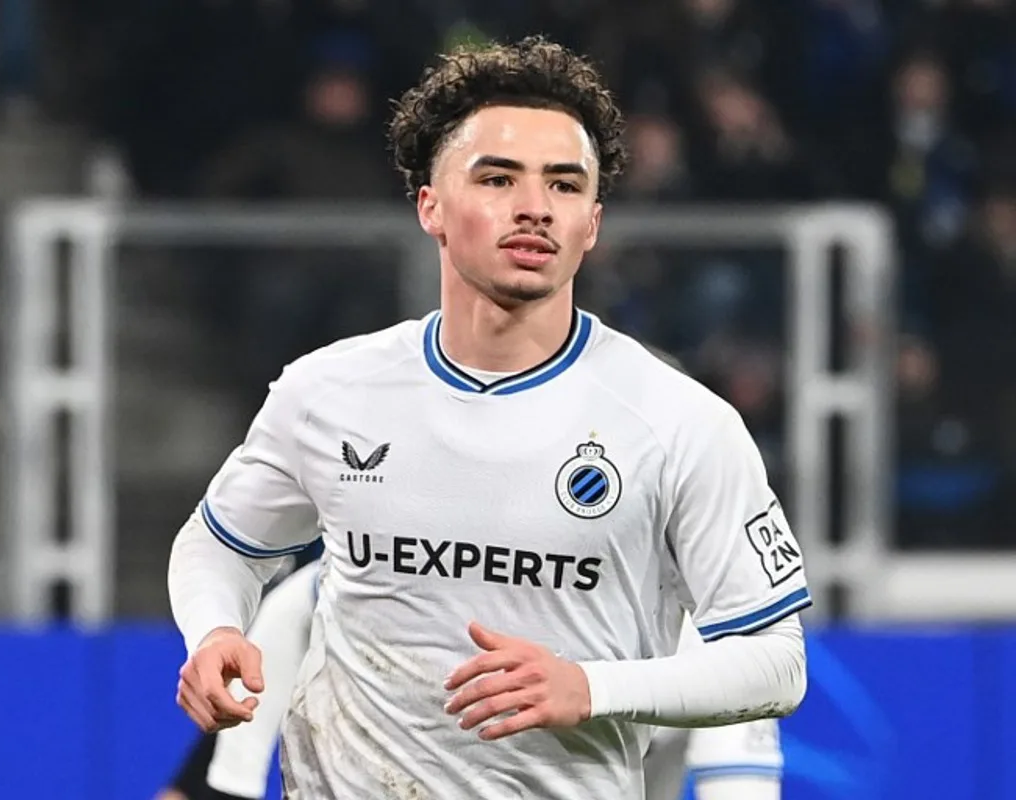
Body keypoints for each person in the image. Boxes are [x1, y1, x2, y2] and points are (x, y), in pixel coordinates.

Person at [168, 36, 810, 799]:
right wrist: (213, 630)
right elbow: (221, 544)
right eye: (499, 178)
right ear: (430, 207)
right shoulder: (328, 392)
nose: (535, 208)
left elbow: (777, 662)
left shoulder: (678, 422)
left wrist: (592, 688)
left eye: (565, 186)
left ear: (593, 222)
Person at [159, 559, 785, 800]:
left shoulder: (711, 644)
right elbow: (217, 787)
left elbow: (742, 790)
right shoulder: (335, 597)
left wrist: (591, 691)